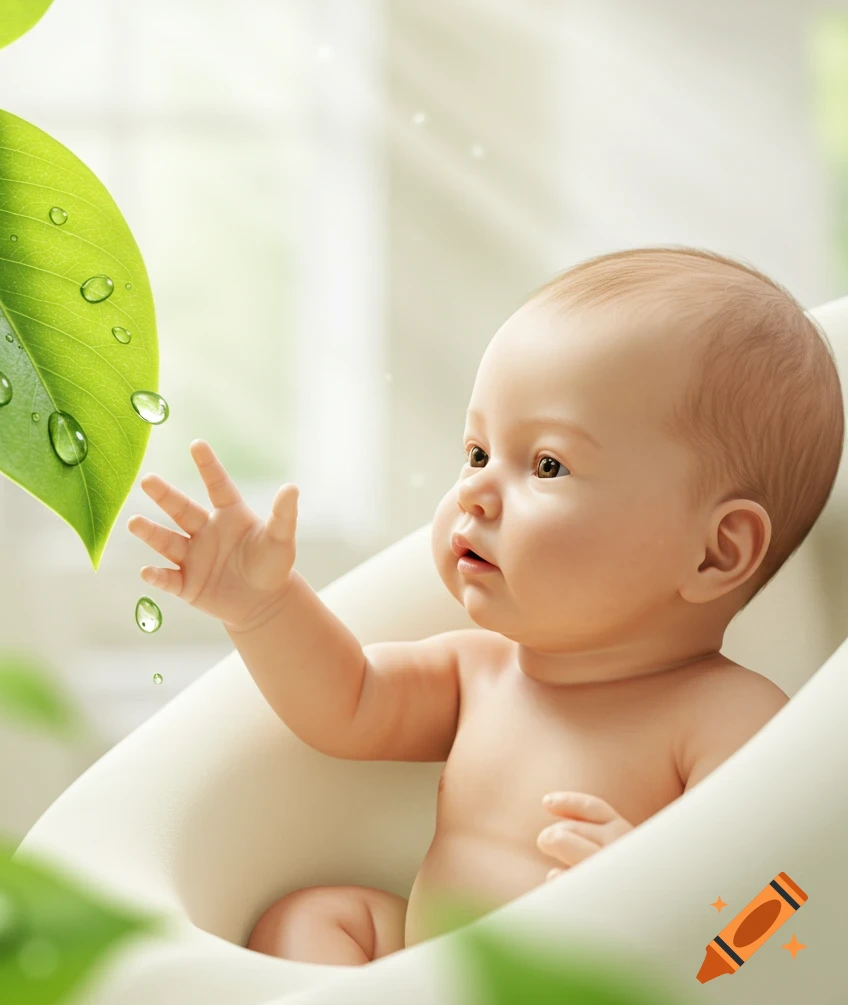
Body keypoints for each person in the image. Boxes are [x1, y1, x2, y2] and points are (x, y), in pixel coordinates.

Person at [127, 246, 844, 966]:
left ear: (716, 552)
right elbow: (346, 702)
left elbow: (782, 900)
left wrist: (647, 898)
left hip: (579, 992)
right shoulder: (478, 672)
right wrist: (262, 607)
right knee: (316, 917)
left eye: (547, 465)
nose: (474, 490)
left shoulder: (727, 718)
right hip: (423, 975)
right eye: (477, 453)